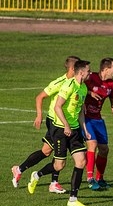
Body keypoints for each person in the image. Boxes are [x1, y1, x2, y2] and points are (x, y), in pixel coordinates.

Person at [26, 60, 92, 206]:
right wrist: (66, 125)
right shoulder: (68, 86)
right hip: (60, 129)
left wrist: (85, 130)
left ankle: (73, 199)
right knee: (59, 165)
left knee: (81, 161)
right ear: (81, 72)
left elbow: (80, 111)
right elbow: (57, 107)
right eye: (88, 71)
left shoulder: (83, 88)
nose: (90, 73)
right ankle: (37, 175)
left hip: (75, 130)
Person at [11, 56, 79, 193]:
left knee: (46, 151)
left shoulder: (76, 83)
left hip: (61, 122)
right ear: (73, 68)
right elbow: (40, 97)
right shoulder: (60, 82)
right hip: (55, 122)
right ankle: (53, 182)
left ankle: (19, 169)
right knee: (59, 150)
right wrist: (39, 115)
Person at [83, 58, 113, 190]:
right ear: (106, 69)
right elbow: (76, 87)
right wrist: (89, 92)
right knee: (92, 144)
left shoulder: (111, 84)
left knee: (104, 149)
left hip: (97, 119)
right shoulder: (90, 78)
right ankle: (90, 178)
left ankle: (100, 178)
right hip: (85, 118)